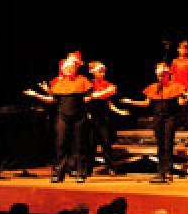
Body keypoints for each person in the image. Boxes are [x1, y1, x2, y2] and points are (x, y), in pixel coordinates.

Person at [24, 55, 92, 183]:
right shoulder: (58, 83)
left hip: (79, 117)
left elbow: (89, 96)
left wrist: (79, 101)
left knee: (79, 145)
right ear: (64, 70)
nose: (70, 70)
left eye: (72, 68)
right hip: (62, 116)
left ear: (75, 69)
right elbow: (52, 100)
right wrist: (37, 95)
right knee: (60, 145)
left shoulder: (83, 80)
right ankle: (58, 174)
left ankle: (80, 173)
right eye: (67, 69)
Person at [121, 63, 187, 183]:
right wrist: (131, 102)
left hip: (170, 117)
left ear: (168, 75)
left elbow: (181, 101)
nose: (161, 78)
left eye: (163, 75)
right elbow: (146, 103)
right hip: (158, 117)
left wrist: (185, 99)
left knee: (168, 143)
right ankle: (160, 171)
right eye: (159, 76)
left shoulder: (175, 87)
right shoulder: (153, 88)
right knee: (160, 144)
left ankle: (168, 170)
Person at [84, 61, 122, 175]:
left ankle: (110, 167)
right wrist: (102, 94)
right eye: (99, 71)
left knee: (106, 143)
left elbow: (109, 103)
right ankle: (88, 169)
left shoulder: (107, 84)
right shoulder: (89, 84)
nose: (102, 74)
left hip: (103, 117)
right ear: (93, 72)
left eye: (103, 72)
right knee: (91, 145)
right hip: (91, 117)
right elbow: (86, 99)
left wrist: (119, 111)